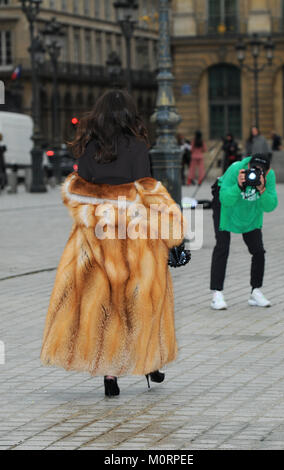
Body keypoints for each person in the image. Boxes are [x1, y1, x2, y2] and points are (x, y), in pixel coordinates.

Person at [40, 90, 185, 397]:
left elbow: (84, 191)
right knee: (142, 302)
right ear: (129, 115)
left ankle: (110, 376)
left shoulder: (86, 148)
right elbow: (149, 194)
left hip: (95, 239)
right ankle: (149, 363)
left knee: (105, 306)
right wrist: (174, 238)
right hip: (136, 239)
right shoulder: (137, 147)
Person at [210, 153, 278, 310]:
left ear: (267, 172)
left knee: (258, 251)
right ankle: (217, 293)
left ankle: (256, 291)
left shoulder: (270, 176)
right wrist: (238, 186)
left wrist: (262, 189)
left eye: (261, 171)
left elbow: (270, 206)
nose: (254, 173)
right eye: (252, 169)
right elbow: (225, 199)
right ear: (248, 165)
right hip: (225, 206)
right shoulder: (236, 169)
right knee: (222, 246)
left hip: (250, 211)